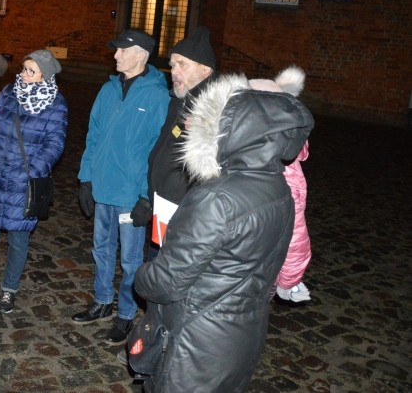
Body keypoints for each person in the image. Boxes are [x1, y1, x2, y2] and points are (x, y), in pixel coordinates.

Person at [132, 73, 314, 392]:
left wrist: (141, 276)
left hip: (195, 341)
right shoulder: (280, 189)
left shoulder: (216, 199)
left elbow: (167, 281)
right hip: (242, 337)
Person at [73, 29, 169, 344]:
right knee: (100, 249)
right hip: (103, 188)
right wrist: (86, 177)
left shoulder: (157, 95)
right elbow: (93, 135)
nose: (115, 56)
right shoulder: (107, 90)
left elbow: (158, 150)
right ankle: (101, 301)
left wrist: (147, 196)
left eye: (121, 51)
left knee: (130, 260)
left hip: (130, 195)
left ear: (140, 54)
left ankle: (126, 315)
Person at [0, 49, 68, 313]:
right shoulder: (8, 93)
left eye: (31, 71)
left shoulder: (56, 104)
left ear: (45, 76)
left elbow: (55, 143)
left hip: (22, 182)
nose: (23, 74)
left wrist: (33, 169)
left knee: (18, 240)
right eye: (23, 68)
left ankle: (9, 291)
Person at [146, 26, 216, 256]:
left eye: (182, 64)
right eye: (173, 64)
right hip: (162, 206)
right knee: (156, 269)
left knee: (170, 275)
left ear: (205, 70)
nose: (173, 70)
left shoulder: (212, 110)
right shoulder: (178, 100)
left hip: (185, 216)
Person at [248, 66, 312, 303]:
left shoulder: (287, 176)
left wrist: (289, 280)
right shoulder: (239, 152)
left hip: (259, 275)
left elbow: (296, 235)